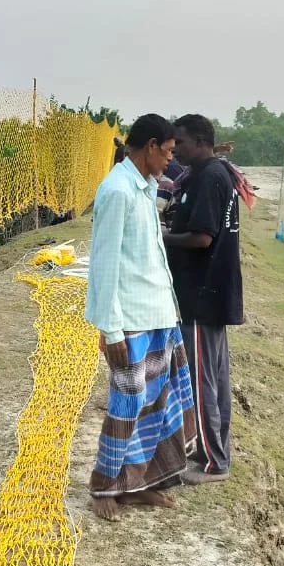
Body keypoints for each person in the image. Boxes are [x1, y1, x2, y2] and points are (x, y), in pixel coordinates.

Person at [84, 113, 198, 521]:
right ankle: (105, 486)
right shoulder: (117, 191)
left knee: (159, 403)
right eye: (167, 151)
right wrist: (109, 327)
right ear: (150, 146)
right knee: (128, 402)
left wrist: (170, 312)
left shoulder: (145, 188)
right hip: (129, 320)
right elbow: (104, 264)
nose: (170, 159)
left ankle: (140, 485)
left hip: (159, 315)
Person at [163, 114, 244, 484]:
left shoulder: (210, 176)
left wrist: (157, 236)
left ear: (199, 141)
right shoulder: (210, 173)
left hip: (202, 291)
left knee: (201, 380)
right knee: (212, 377)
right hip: (209, 291)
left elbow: (202, 238)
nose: (175, 149)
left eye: (179, 142)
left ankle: (214, 463)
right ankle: (210, 450)